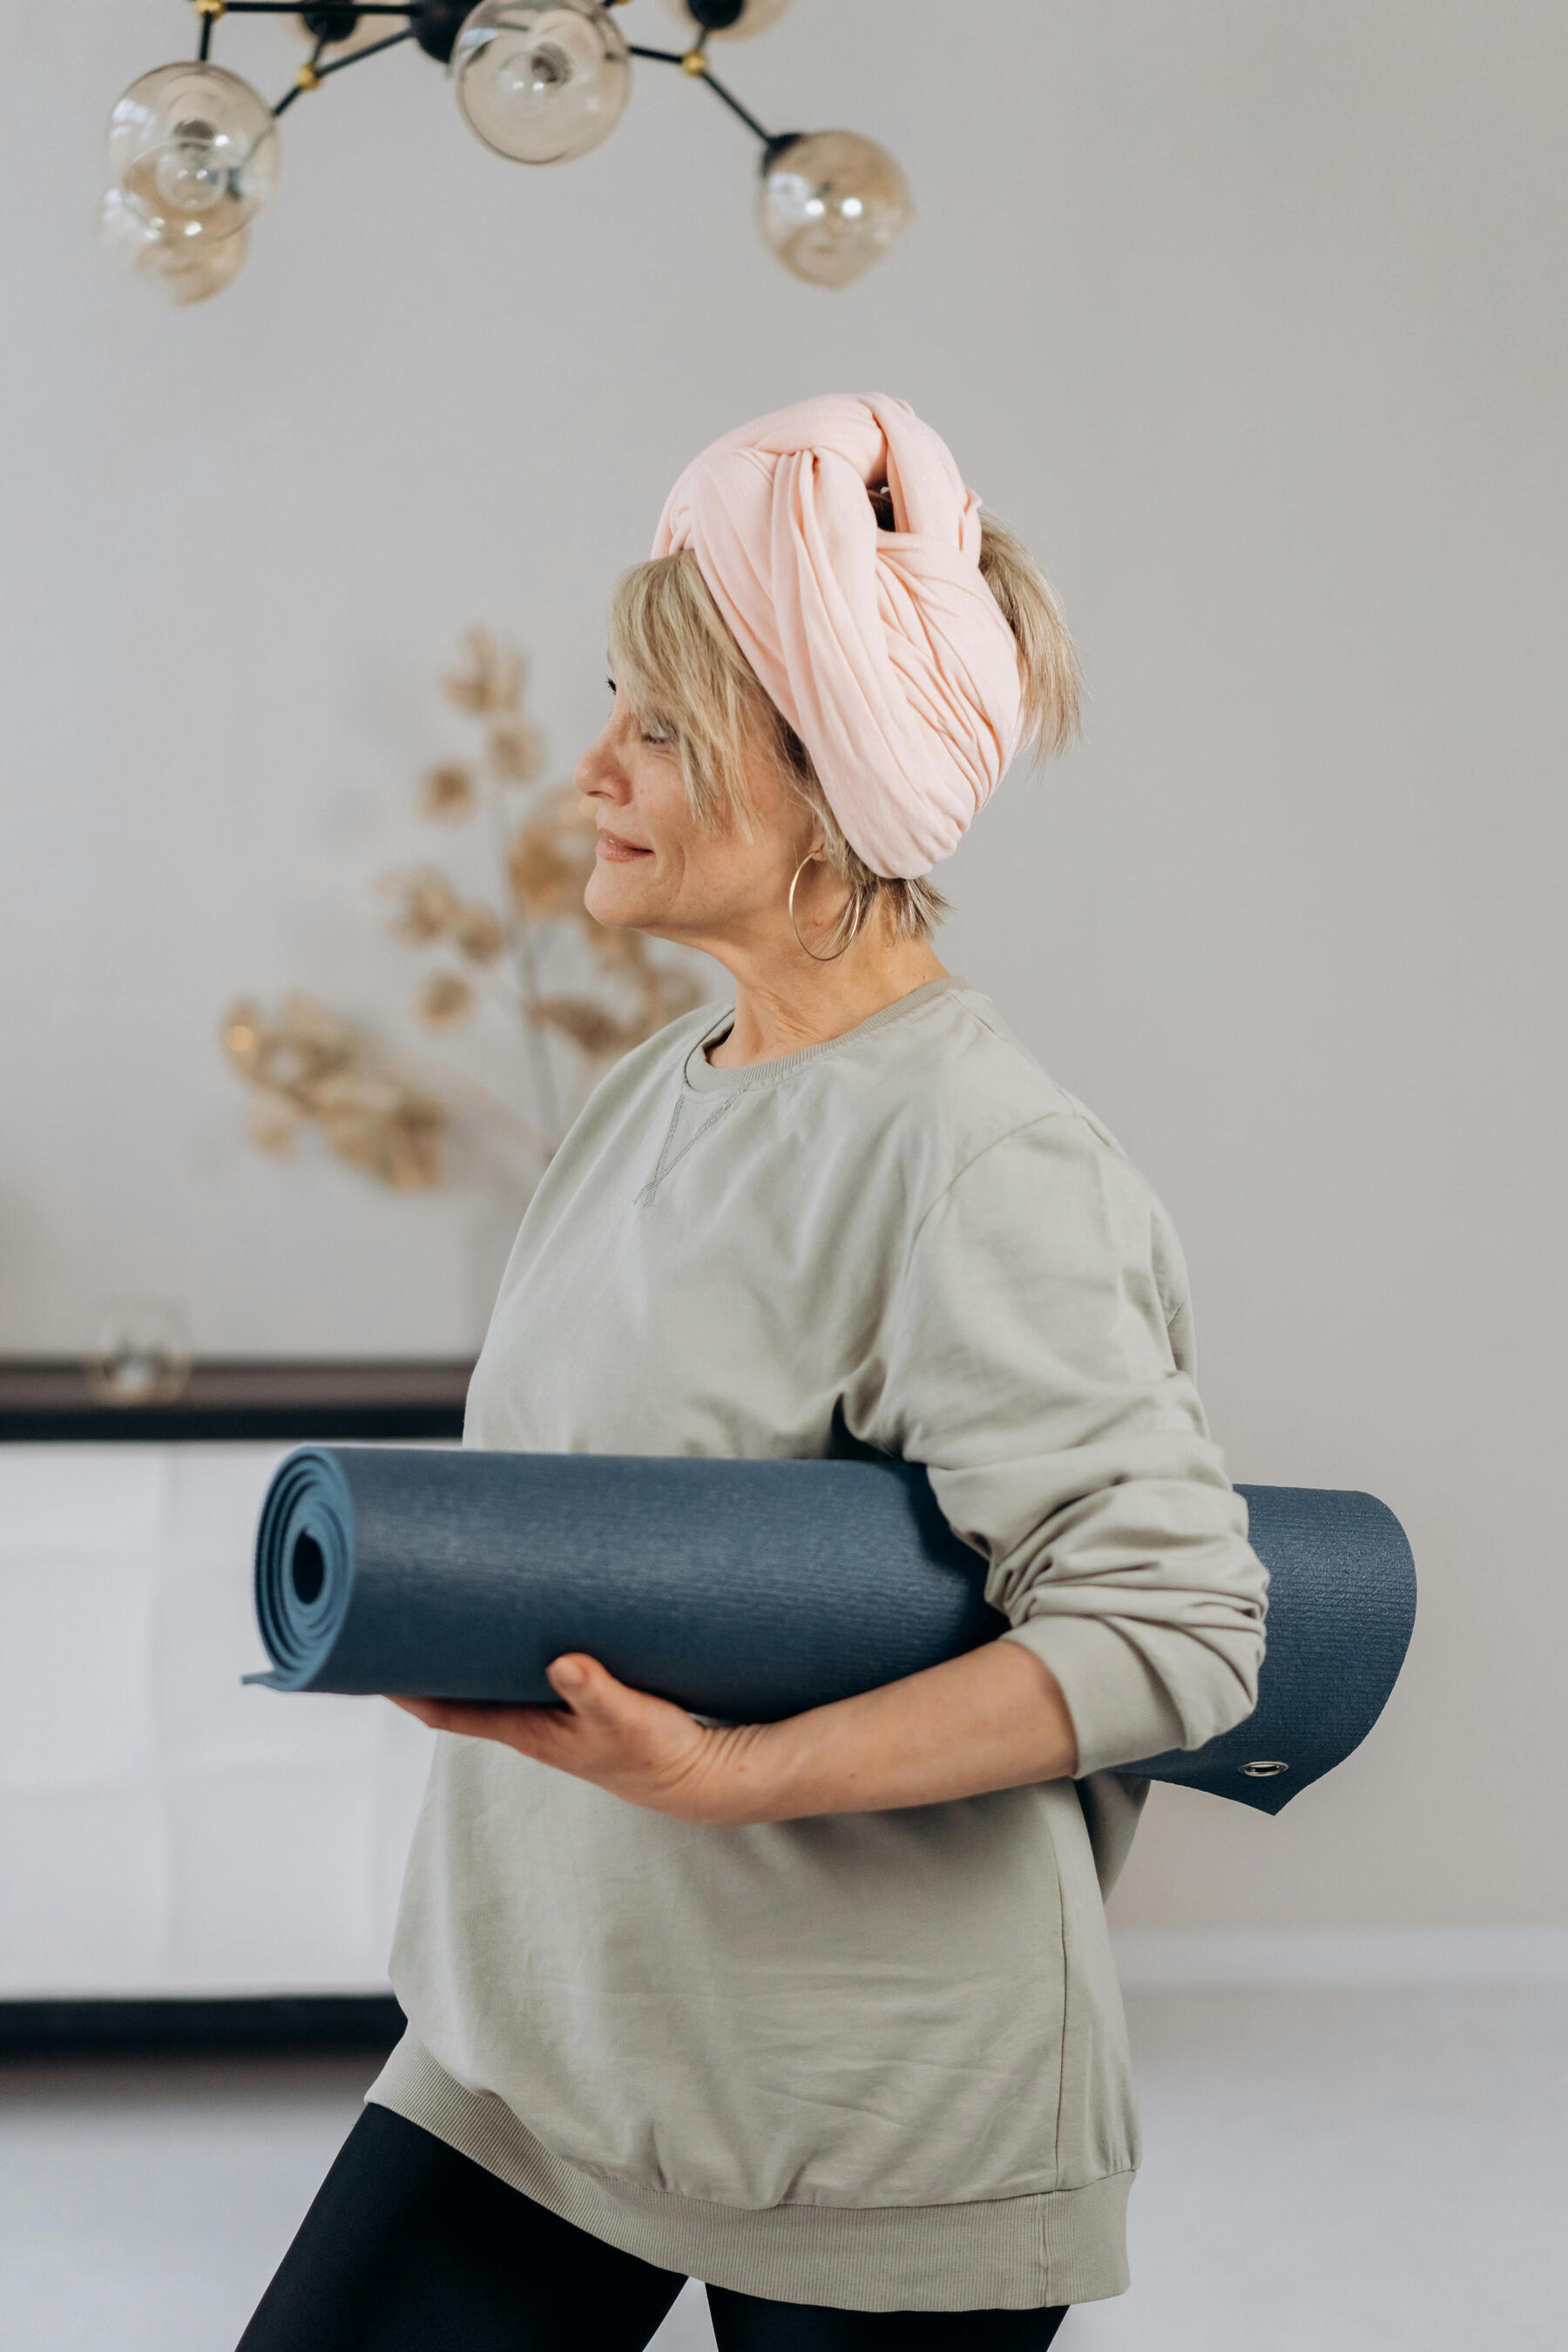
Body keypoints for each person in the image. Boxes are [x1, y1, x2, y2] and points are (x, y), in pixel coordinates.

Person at [238, 393, 1267, 2350]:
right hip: (531, 2061)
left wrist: (735, 1779)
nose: (591, 770)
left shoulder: (976, 1155)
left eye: (657, 727)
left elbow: (1179, 1628)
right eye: (611, 710)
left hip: (874, 2120)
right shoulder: (655, 1094)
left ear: (821, 779)